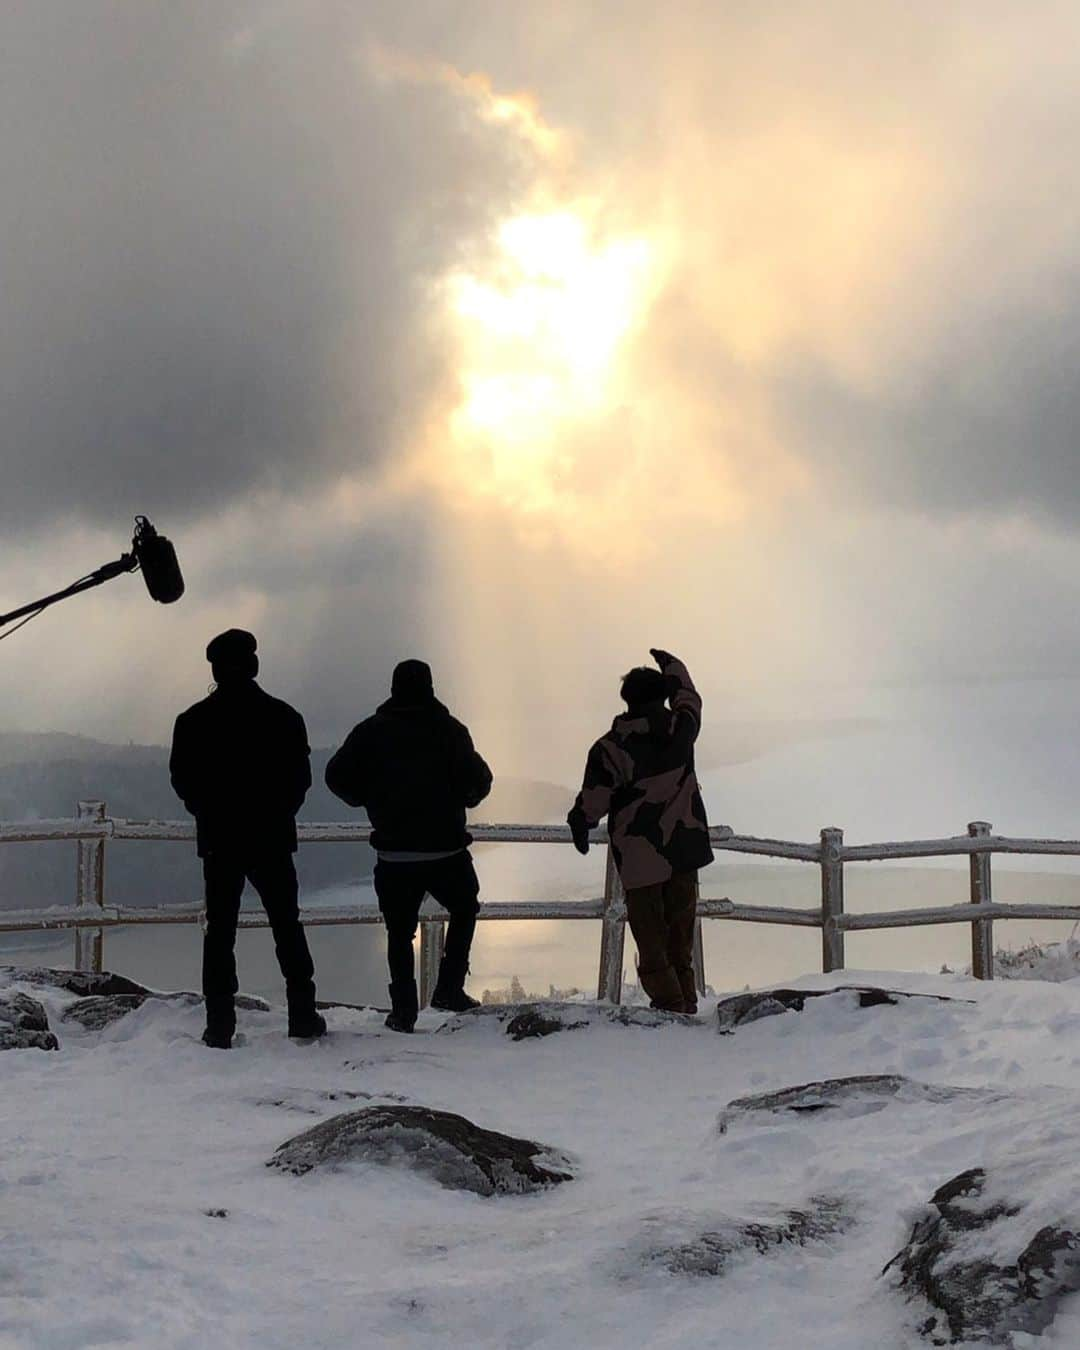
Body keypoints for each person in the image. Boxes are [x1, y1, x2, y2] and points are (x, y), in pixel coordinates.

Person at [169, 629, 326, 1049]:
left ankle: (219, 1024)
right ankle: (302, 1015)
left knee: (220, 932)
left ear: (215, 669)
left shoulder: (192, 722)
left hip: (220, 840)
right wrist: (277, 813)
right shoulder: (284, 717)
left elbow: (182, 781)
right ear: (254, 665)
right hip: (271, 837)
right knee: (287, 926)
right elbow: (301, 780)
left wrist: (208, 812)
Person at [325, 659, 493, 1032]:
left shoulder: (369, 732)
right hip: (446, 849)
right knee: (464, 909)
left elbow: (335, 776)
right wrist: (461, 797)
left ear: (394, 688)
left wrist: (367, 799)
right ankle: (449, 988)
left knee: (399, 933)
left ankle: (403, 1010)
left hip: (393, 851)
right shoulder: (450, 731)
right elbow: (479, 781)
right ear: (430, 688)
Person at [567, 648, 713, 1014]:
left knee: (651, 941)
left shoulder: (610, 748)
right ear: (662, 696)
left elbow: (594, 802)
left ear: (626, 700)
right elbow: (690, 700)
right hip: (684, 848)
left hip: (639, 857)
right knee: (681, 935)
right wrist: (675, 667)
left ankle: (671, 1006)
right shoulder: (680, 731)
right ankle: (687, 1003)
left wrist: (580, 824)